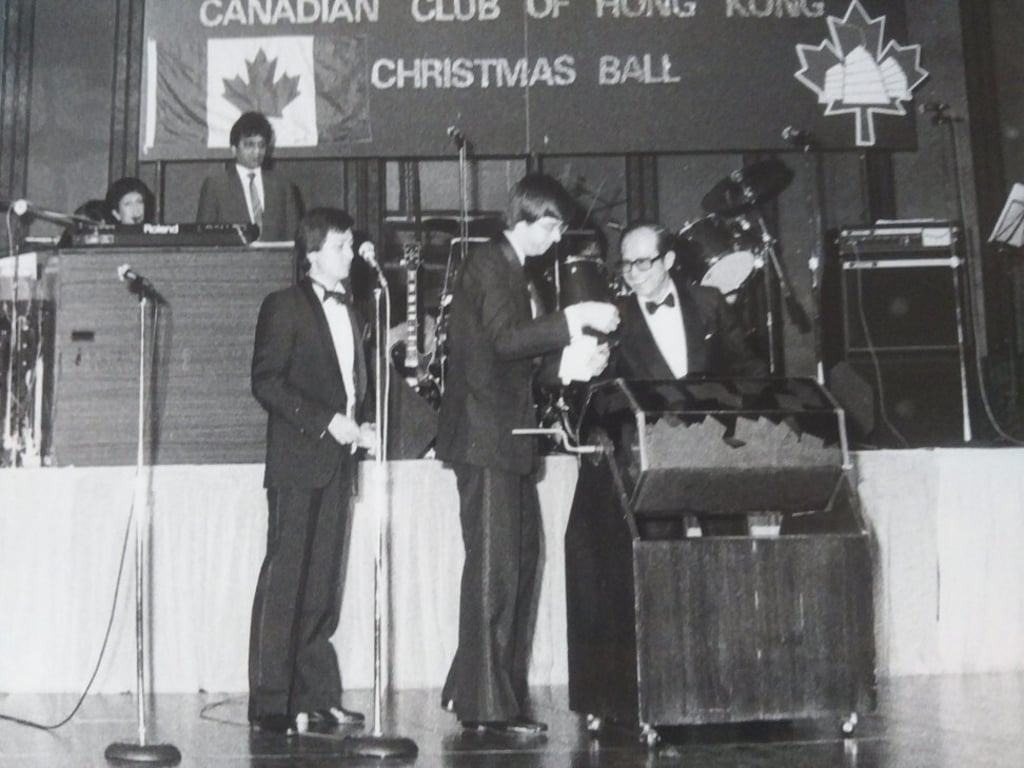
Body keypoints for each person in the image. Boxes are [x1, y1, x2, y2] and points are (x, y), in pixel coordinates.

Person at [435, 172, 620, 734]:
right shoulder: (490, 264)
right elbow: (504, 342)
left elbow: (517, 359)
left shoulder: (516, 271)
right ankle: (488, 709)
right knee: (497, 572)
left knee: (515, 561)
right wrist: (575, 319)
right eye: (552, 227)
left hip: (504, 436)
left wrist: (570, 365)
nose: (557, 239)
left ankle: (470, 688)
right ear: (524, 216)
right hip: (486, 438)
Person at [248, 207, 375, 735]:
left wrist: (364, 424)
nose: (350, 254)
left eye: (350, 244)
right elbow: (266, 382)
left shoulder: (356, 308)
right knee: (287, 582)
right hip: (299, 460)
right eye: (341, 246)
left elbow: (353, 385)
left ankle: (318, 696)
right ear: (312, 253)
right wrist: (327, 422)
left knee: (323, 584)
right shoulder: (283, 305)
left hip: (338, 463)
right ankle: (273, 703)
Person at [612, 220, 767, 380]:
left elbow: (749, 367)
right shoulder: (616, 319)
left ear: (668, 260)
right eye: (626, 264)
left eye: (642, 262)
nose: (633, 273)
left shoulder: (709, 300)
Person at [197, 111, 302, 241]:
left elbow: (294, 239)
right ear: (234, 149)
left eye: (261, 145)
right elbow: (204, 238)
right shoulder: (216, 186)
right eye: (249, 145)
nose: (257, 152)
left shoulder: (283, 187)